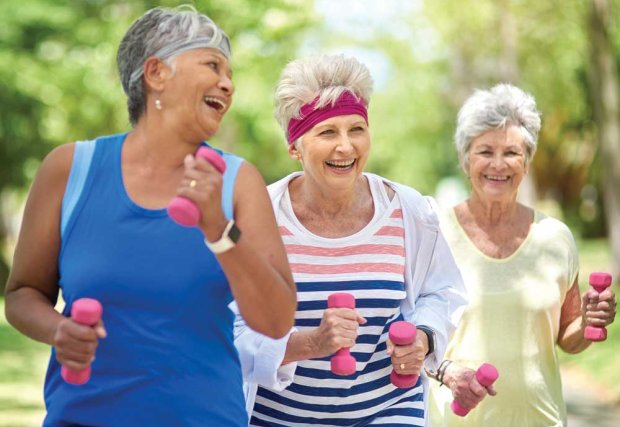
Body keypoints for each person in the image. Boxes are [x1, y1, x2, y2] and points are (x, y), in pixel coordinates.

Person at [4, 6, 296, 426]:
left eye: (231, 74)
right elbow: (22, 293)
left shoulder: (237, 181)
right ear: (156, 73)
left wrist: (218, 228)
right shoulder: (70, 170)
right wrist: (57, 331)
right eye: (213, 65)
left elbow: (275, 320)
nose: (228, 85)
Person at [233, 54, 468, 427]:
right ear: (295, 146)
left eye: (356, 129)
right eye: (327, 132)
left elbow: (442, 292)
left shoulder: (408, 210)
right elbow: (232, 330)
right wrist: (311, 343)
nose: (346, 146)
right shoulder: (259, 217)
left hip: (388, 410)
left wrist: (422, 336)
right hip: (279, 417)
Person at [427, 83, 617, 426]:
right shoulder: (434, 233)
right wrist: (446, 372)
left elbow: (566, 338)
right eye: (485, 151)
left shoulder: (556, 239)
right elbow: (411, 337)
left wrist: (588, 321)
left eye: (512, 152)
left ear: (526, 162)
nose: (498, 164)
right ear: (465, 159)